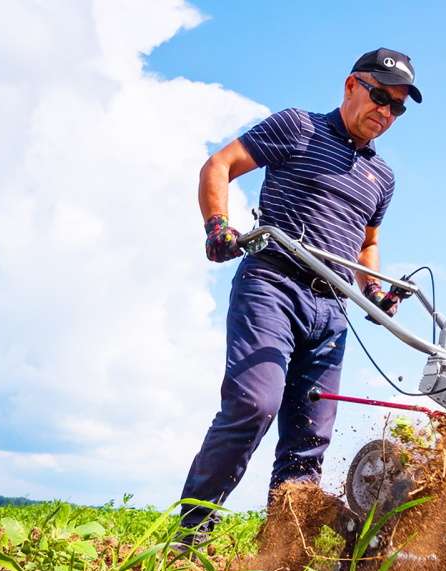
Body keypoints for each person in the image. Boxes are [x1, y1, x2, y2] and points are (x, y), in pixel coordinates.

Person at [178, 48, 422, 543]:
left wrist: (373, 289)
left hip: (331, 309)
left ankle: (281, 553)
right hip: (273, 283)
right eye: (380, 96)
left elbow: (367, 241)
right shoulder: (299, 127)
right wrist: (217, 226)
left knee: (309, 439)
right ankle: (191, 531)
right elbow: (220, 164)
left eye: (397, 107)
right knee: (254, 403)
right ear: (352, 85)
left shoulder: (383, 177)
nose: (386, 112)